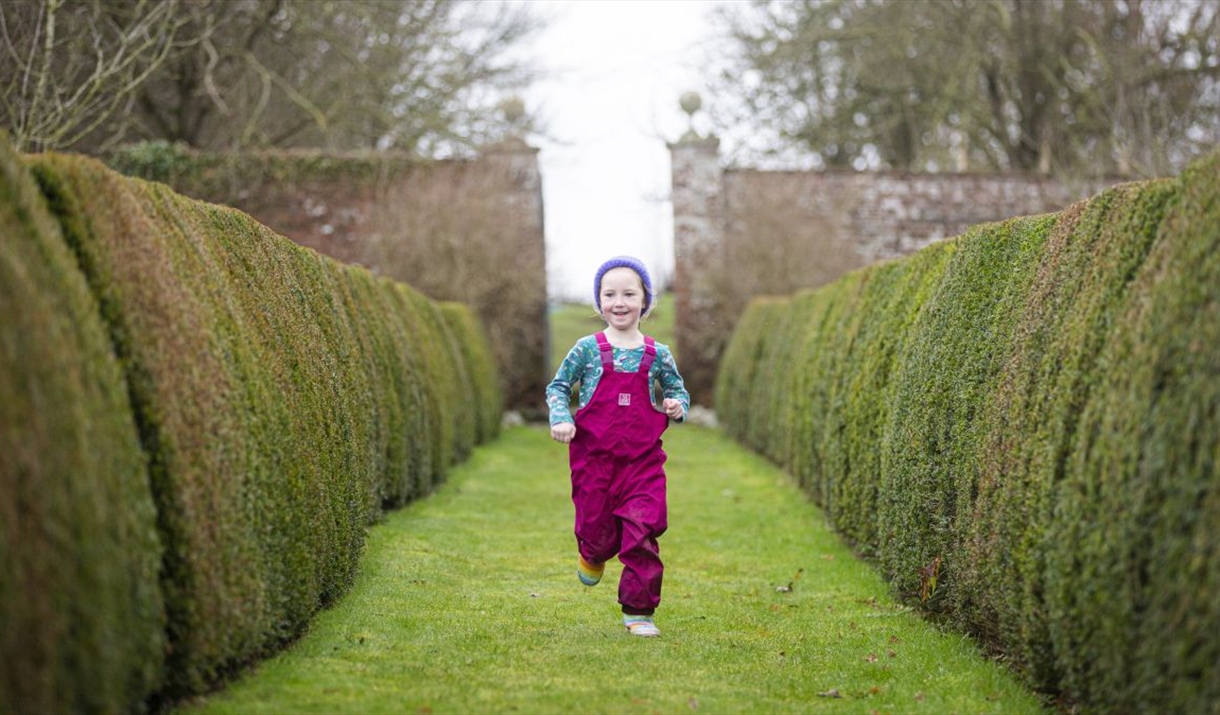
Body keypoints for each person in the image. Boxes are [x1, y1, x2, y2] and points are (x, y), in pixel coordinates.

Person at [546, 255, 690, 637]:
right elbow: (558, 387)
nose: (619, 302)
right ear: (599, 302)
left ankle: (639, 611)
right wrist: (561, 417)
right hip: (594, 463)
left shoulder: (657, 354)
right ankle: (592, 553)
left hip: (642, 464)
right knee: (598, 532)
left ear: (645, 300)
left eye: (629, 293)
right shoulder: (587, 350)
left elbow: (677, 391)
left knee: (643, 529)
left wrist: (677, 406)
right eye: (609, 294)